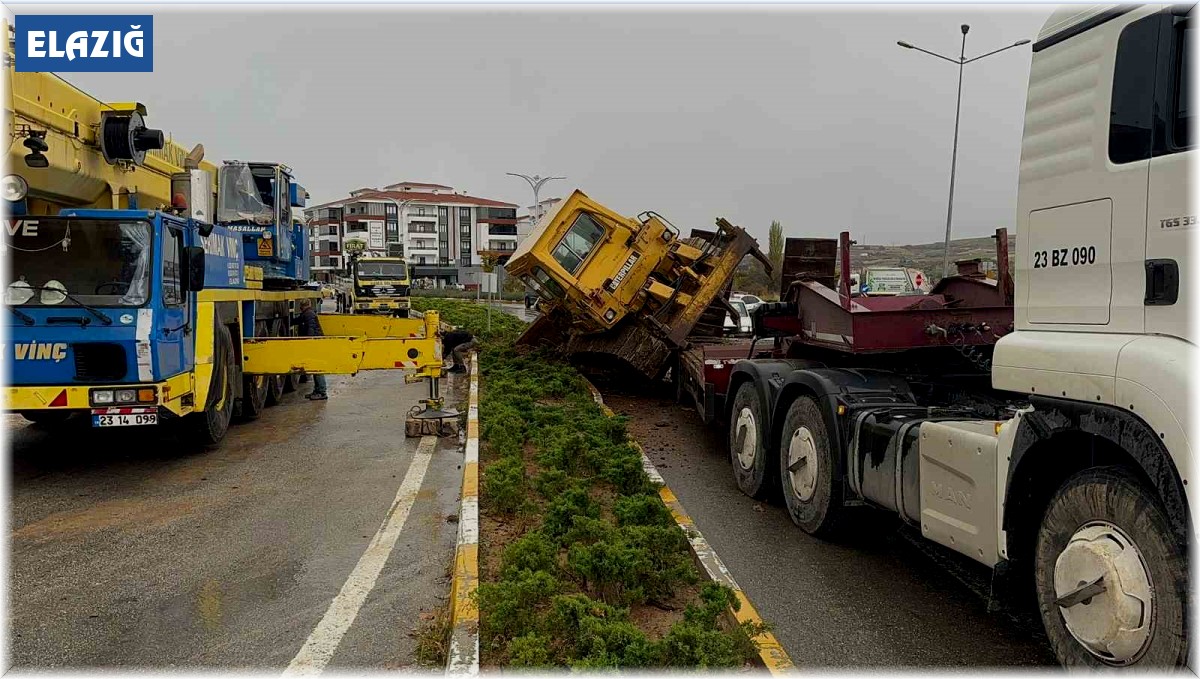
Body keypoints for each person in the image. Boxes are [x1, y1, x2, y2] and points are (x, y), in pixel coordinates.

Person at [298, 299, 327, 400]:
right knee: (315, 368)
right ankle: (317, 390)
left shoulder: (308, 314)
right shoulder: (307, 313)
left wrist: (309, 342)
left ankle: (322, 392)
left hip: (315, 344)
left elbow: (311, 328)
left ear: (302, 306)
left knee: (317, 368)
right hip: (316, 342)